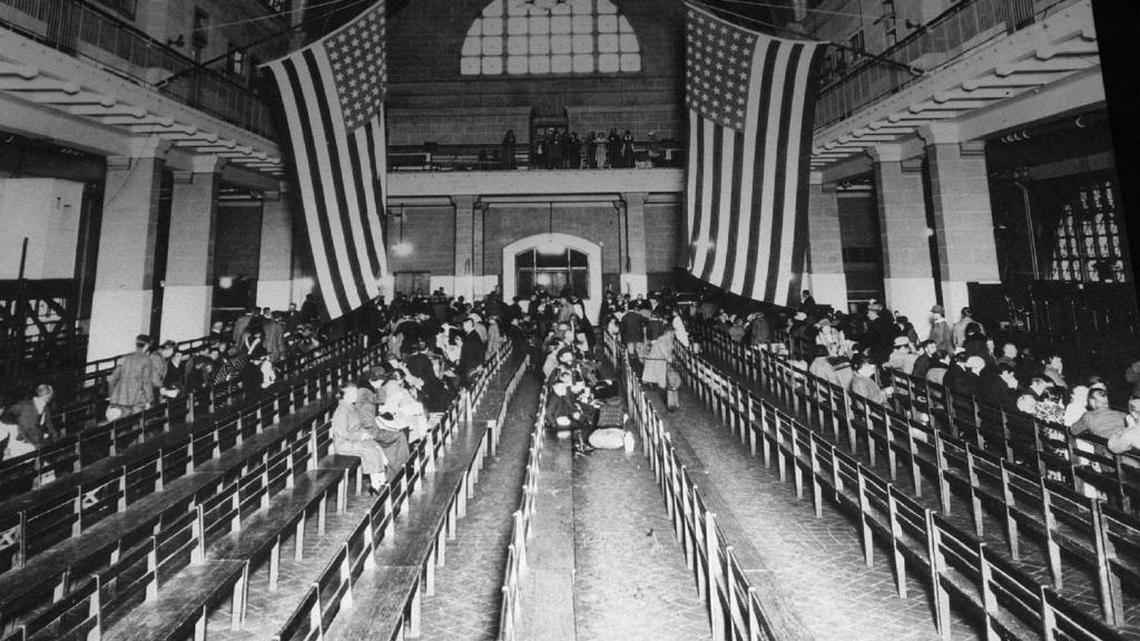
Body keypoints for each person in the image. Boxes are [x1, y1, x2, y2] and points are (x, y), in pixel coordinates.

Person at [330, 383, 387, 494]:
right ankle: (376, 485)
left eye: (355, 392)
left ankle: (382, 480)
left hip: (353, 440)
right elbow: (342, 433)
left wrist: (365, 434)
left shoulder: (351, 407)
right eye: (353, 393)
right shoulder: (341, 411)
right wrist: (360, 436)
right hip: (344, 444)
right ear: (344, 396)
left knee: (375, 445)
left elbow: (357, 426)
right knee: (369, 450)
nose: (356, 395)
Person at [107, 334, 159, 420]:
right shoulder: (146, 360)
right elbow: (146, 383)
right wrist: (150, 400)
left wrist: (111, 395)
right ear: (146, 346)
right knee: (137, 425)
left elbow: (112, 379)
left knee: (121, 426)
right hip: (138, 400)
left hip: (121, 399)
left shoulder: (124, 358)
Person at [1, 384, 56, 461]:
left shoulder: (45, 408)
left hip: (37, 441)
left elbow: (50, 427)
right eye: (49, 395)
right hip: (25, 441)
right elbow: (27, 429)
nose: (49, 398)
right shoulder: (26, 407)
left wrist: (57, 442)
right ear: (46, 395)